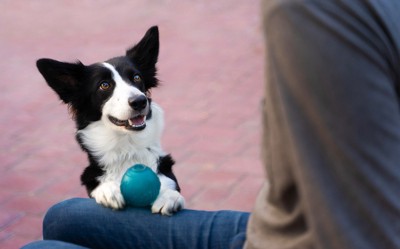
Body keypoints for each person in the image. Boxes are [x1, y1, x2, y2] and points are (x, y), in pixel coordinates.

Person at [22, 0, 400, 248]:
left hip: (290, 237)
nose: (135, 95)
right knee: (62, 216)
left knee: (46, 241)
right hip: (277, 224)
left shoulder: (314, 13)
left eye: (136, 81)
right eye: (107, 86)